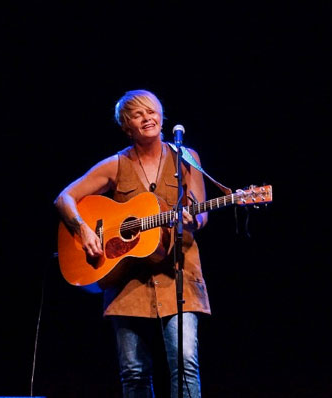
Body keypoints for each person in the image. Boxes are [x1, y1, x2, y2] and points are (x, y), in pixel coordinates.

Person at [54, 89, 210, 398]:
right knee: (134, 371)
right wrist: (83, 230)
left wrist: (195, 219)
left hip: (177, 276)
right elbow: (65, 198)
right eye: (138, 115)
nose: (147, 118)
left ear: (162, 116)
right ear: (127, 126)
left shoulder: (187, 157)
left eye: (151, 111)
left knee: (185, 364)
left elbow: (200, 210)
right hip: (126, 281)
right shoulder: (116, 164)